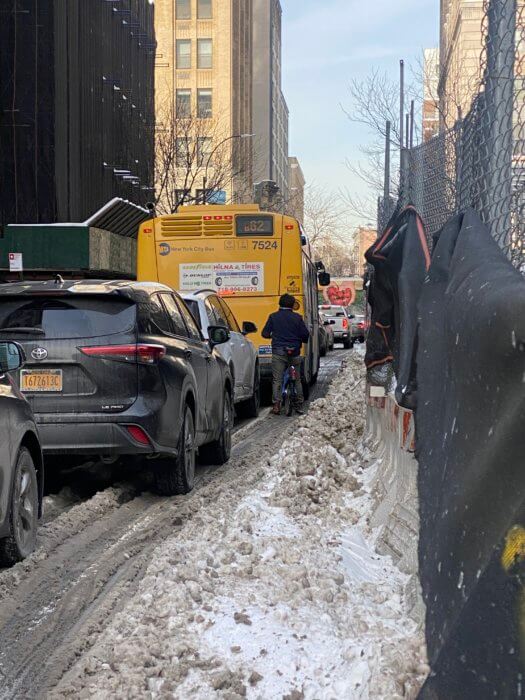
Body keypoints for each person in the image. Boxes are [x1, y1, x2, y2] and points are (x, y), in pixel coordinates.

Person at [262, 294, 310, 415]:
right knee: (297, 379)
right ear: (293, 305)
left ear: (280, 303)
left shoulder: (273, 317)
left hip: (279, 352)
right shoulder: (297, 318)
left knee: (277, 379)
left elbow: (265, 333)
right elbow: (305, 335)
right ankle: (299, 404)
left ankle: (277, 405)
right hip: (294, 352)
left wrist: (272, 336)